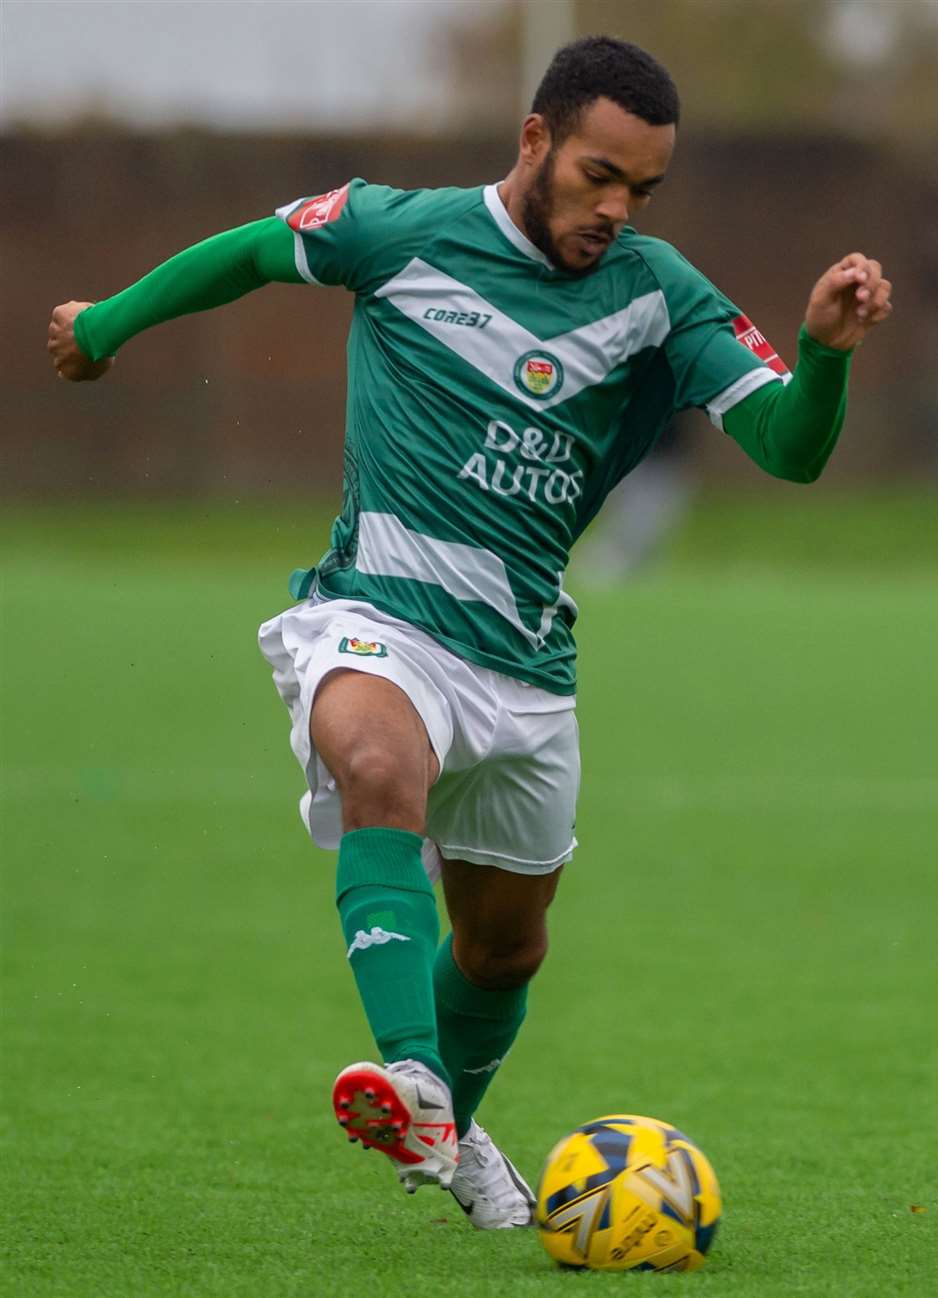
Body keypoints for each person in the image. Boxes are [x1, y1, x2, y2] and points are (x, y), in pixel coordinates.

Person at [47, 36, 892, 1230]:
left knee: (505, 950)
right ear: (535, 139)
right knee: (379, 764)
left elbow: (792, 451)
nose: (617, 209)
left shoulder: (658, 292)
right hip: (377, 614)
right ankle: (414, 1077)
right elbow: (250, 246)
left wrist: (824, 353)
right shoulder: (398, 231)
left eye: (642, 190)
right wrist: (106, 324)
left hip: (527, 662)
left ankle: (449, 1115)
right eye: (599, 176)